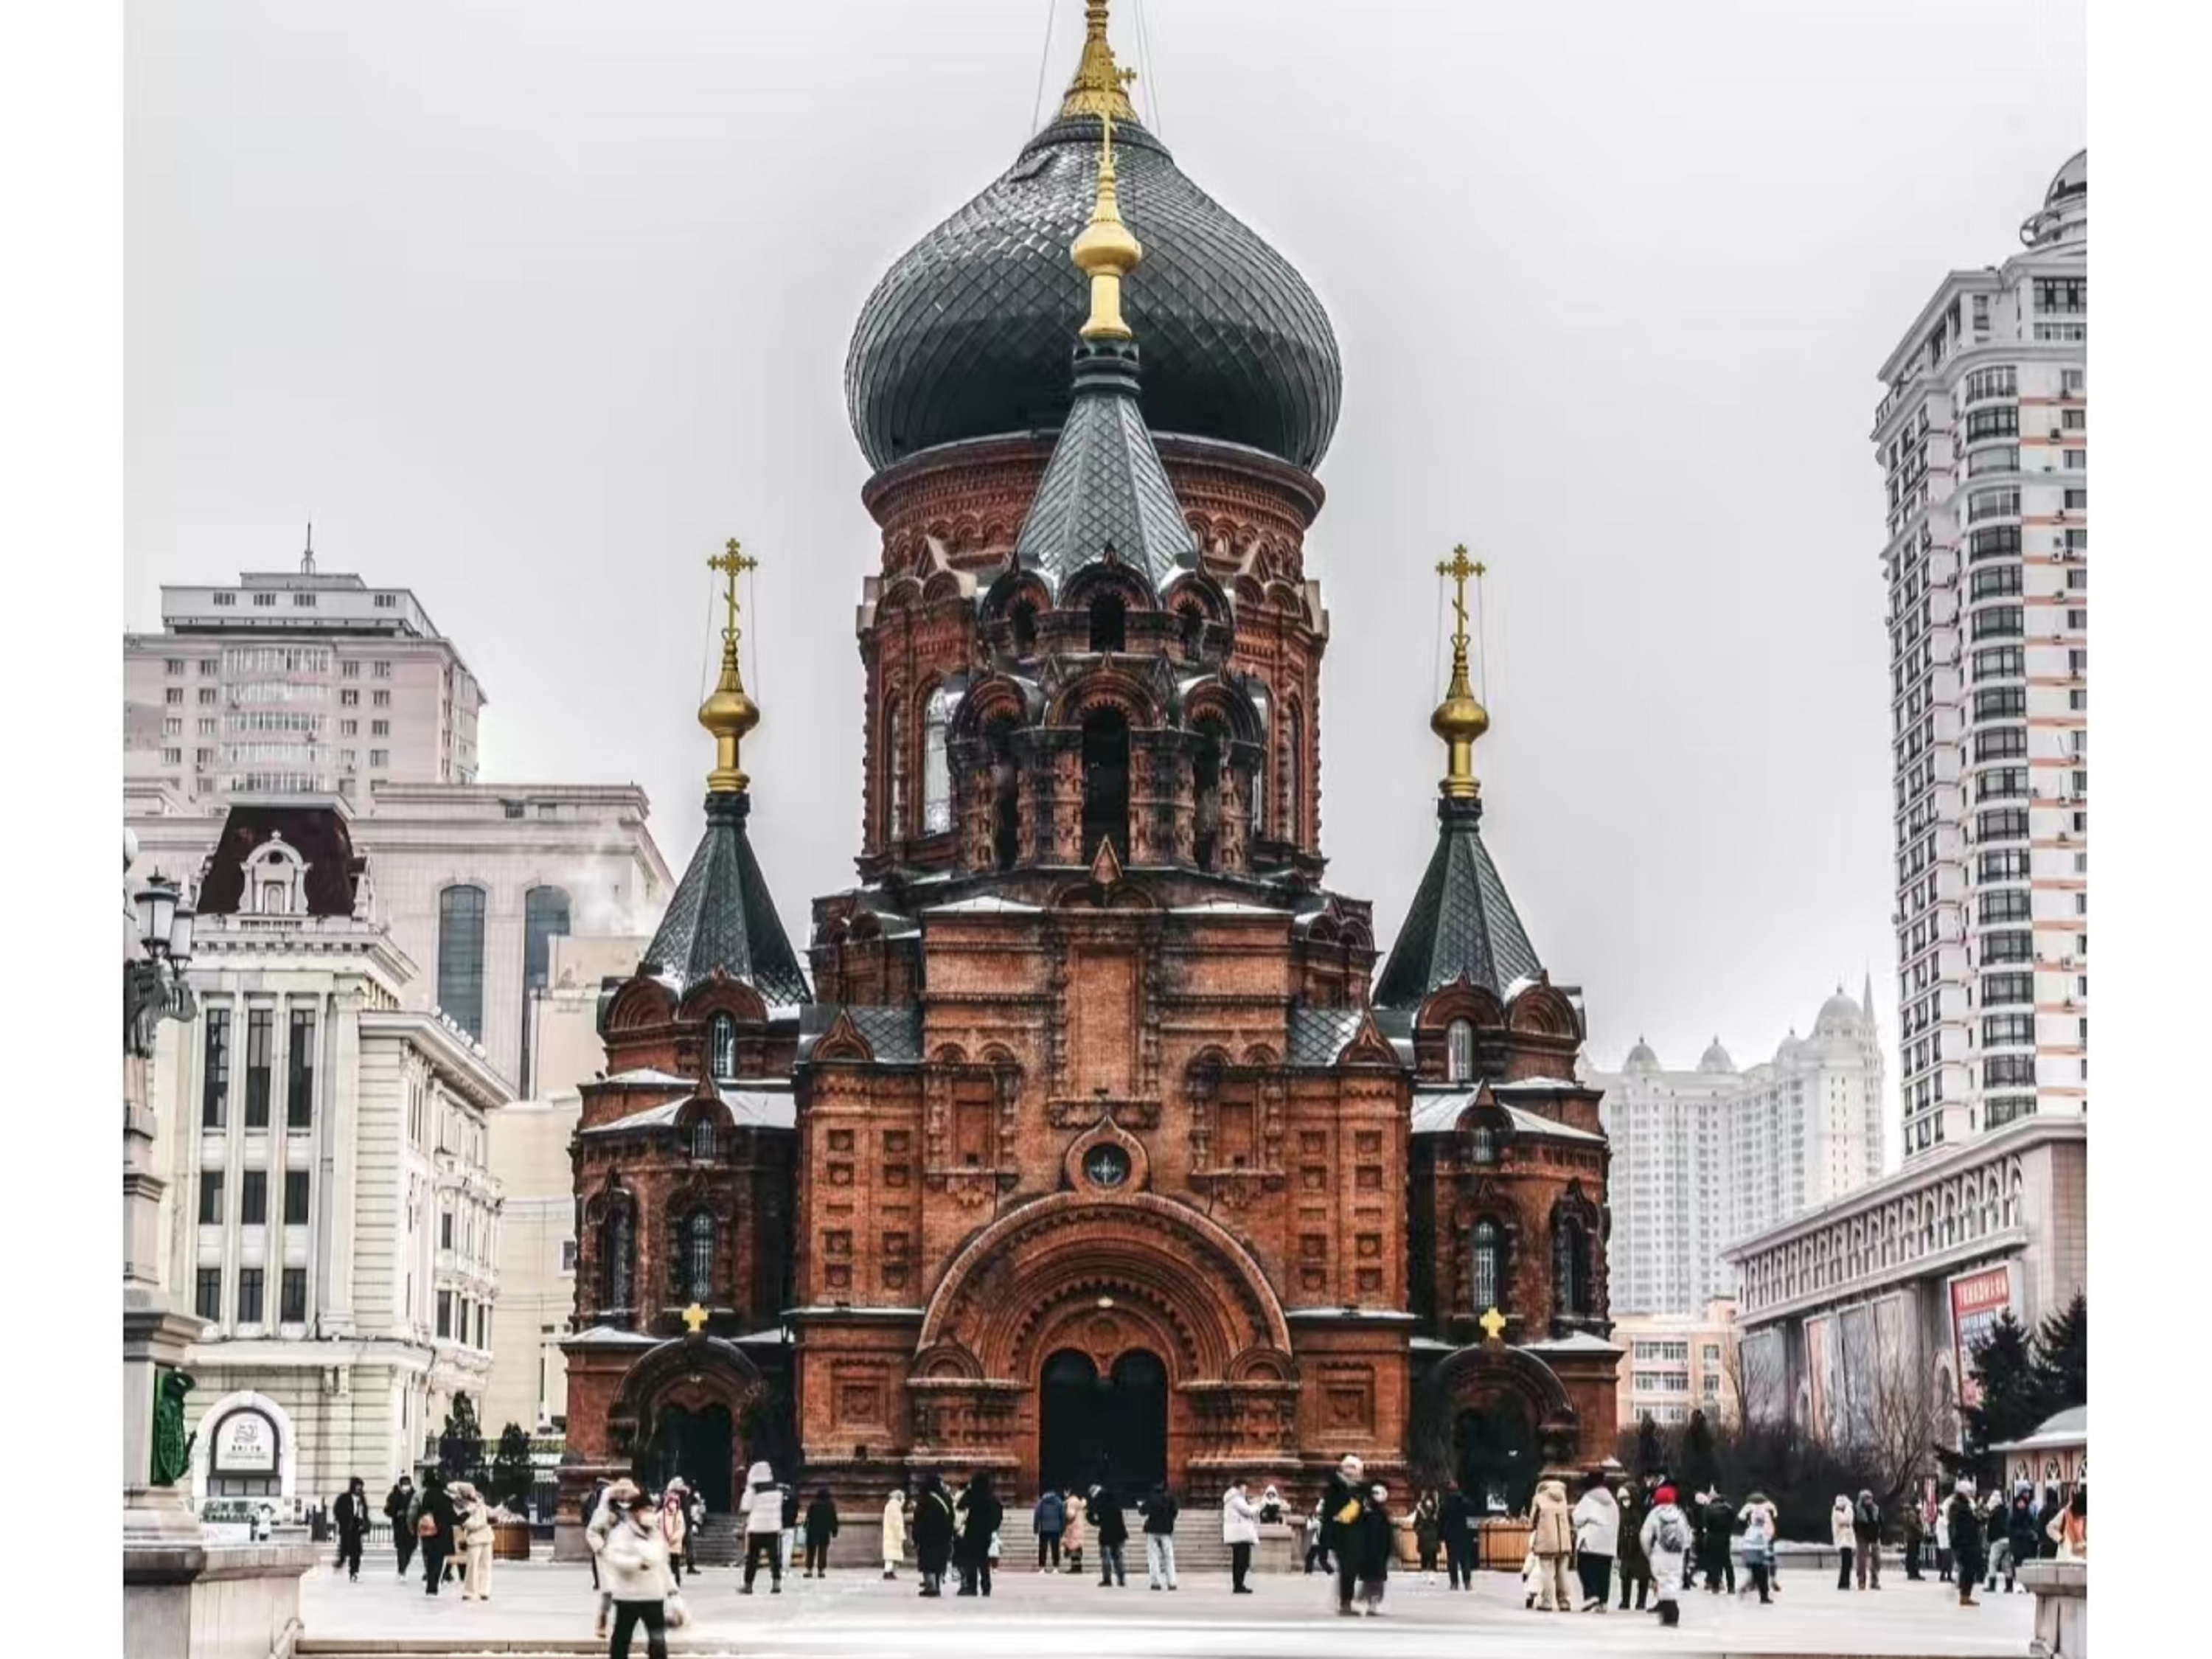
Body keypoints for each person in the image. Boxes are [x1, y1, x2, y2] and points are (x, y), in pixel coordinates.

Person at [602, 1485, 675, 1659]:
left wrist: (672, 1590)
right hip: (629, 1596)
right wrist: (637, 1563)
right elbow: (612, 1557)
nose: (649, 1514)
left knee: (658, 1641)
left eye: (651, 1510)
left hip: (653, 1595)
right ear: (634, 1512)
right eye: (645, 1510)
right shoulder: (621, 1533)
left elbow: (663, 1564)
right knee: (621, 1639)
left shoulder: (656, 1534)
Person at [588, 1478, 636, 1641]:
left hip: (627, 1556)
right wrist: (602, 1548)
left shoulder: (634, 1512)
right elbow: (592, 1532)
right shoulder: (604, 1511)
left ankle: (622, 1626)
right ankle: (602, 1621)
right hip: (608, 1557)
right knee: (608, 1593)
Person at [1640, 1485, 1691, 1628]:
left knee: (1662, 1580)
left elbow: (1645, 1536)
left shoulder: (1654, 1514)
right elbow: (1687, 1536)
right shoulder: (1679, 1514)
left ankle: (1668, 1611)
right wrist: (1684, 1551)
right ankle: (1671, 1610)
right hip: (1676, 1553)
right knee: (1673, 1579)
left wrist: (1649, 1553)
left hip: (1660, 1552)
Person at [1572, 1472, 1619, 1613]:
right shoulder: (1612, 1501)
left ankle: (1591, 1594)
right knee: (1604, 1571)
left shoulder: (1588, 1498)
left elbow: (1577, 1518)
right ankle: (1603, 1601)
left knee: (1585, 1566)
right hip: (1608, 1542)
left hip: (1591, 1539)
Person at [738, 1461, 785, 1594]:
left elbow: (745, 1507)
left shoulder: (753, 1489)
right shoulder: (777, 1489)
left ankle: (748, 1585)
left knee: (752, 1558)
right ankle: (776, 1583)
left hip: (756, 1528)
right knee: (774, 1557)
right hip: (773, 1527)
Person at [1528, 1476, 1574, 1613]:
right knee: (1562, 1573)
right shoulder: (1563, 1497)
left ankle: (1547, 1602)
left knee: (1547, 1572)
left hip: (1546, 1540)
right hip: (1563, 1541)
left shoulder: (1539, 1498)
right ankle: (1564, 1602)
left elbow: (1533, 1519)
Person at [956, 1470, 1001, 1596]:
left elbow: (960, 1506)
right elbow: (998, 1514)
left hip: (972, 1532)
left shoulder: (972, 1495)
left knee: (971, 1561)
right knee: (983, 1561)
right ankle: (986, 1587)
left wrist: (968, 1490)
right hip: (985, 1534)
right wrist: (992, 1528)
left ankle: (972, 1587)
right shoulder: (991, 1497)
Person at [912, 1474, 956, 1596]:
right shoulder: (946, 1498)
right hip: (943, 1537)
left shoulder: (925, 1499)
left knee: (928, 1562)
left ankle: (931, 1587)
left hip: (927, 1538)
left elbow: (918, 1520)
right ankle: (937, 1585)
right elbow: (951, 1517)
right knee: (939, 1562)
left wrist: (916, 1537)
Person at [415, 1471, 457, 1596]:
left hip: (429, 1530)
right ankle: (435, 1584)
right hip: (443, 1532)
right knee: (439, 1560)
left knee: (430, 1559)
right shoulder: (446, 1497)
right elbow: (451, 1515)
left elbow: (421, 1511)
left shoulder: (427, 1495)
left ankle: (430, 1585)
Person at [1354, 1484, 1394, 1615]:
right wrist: (1387, 1552)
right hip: (1377, 1555)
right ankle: (1372, 1605)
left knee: (1369, 1581)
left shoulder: (1365, 1515)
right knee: (1377, 1582)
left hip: (1367, 1554)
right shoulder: (1382, 1516)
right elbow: (1387, 1538)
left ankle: (1368, 1602)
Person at [1945, 1481, 1985, 1607]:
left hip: (1967, 1542)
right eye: (1969, 1492)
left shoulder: (1964, 1505)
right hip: (1964, 1543)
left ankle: (1966, 1595)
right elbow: (1960, 1526)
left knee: (1969, 1570)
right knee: (1968, 1570)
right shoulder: (1958, 1507)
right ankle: (1965, 1595)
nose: (1971, 1494)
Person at [1615, 1483, 1652, 1611]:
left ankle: (1641, 1601)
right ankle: (1625, 1601)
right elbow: (1619, 1530)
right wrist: (1619, 1549)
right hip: (1626, 1547)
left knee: (1643, 1575)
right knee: (1625, 1575)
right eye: (1623, 1499)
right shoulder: (1621, 1511)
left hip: (1641, 1546)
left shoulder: (1642, 1510)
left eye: (1627, 1498)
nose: (1625, 1502)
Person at [1138, 1481, 1180, 1590]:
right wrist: (1169, 1520)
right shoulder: (1171, 1498)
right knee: (1169, 1557)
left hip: (1152, 1530)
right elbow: (1175, 1512)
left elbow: (1142, 1512)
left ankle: (1155, 1582)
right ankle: (1172, 1582)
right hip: (1166, 1530)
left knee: (1153, 1557)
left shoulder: (1151, 1497)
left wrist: (1141, 1506)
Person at [457, 1483, 495, 1601]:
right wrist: (483, 1522)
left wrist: (488, 1514)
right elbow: (468, 1524)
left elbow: (493, 1516)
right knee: (472, 1566)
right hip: (474, 1539)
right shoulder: (463, 1507)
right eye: (472, 1492)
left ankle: (484, 1590)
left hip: (487, 1538)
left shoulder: (483, 1506)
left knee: (486, 1565)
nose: (475, 1495)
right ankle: (470, 1591)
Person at [1737, 1492, 1777, 1605]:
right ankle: (1764, 1596)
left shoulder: (1749, 1522)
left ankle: (1749, 1586)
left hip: (1748, 1548)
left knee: (1755, 1572)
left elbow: (1741, 1522)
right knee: (1762, 1573)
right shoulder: (1767, 1513)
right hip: (1760, 1548)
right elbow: (1770, 1533)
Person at [1222, 1478, 1259, 1593]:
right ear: (1240, 1487)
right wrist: (1257, 1506)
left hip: (1236, 1534)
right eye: (1245, 1487)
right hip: (1240, 1534)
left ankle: (1238, 1585)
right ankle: (1239, 1585)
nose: (1246, 1490)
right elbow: (1248, 1511)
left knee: (1238, 1561)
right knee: (1243, 1561)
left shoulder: (1232, 1498)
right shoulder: (1236, 1499)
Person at [1091, 1484, 1129, 1587]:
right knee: (1118, 1557)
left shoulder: (1099, 1502)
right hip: (1119, 1532)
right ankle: (1121, 1579)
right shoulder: (1114, 1497)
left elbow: (1099, 1521)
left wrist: (1091, 1519)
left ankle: (1107, 1580)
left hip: (1106, 1533)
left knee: (1106, 1558)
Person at [1699, 1488, 1735, 1594]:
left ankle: (1715, 1586)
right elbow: (1733, 1521)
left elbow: (1705, 1523)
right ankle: (1731, 1587)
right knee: (1727, 1563)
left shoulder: (1709, 1508)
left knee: (1714, 1563)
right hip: (1725, 1537)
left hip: (1713, 1536)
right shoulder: (1728, 1508)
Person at [1441, 1484, 1477, 1590]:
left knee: (1452, 1560)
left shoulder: (1446, 1504)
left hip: (1451, 1536)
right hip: (1464, 1535)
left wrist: (1441, 1535)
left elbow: (1441, 1521)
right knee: (1465, 1559)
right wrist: (1473, 1534)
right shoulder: (1466, 1503)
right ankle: (1467, 1582)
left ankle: (1454, 1583)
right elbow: (1472, 1517)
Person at [333, 1478, 369, 1582]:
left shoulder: (362, 1499)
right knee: (345, 1548)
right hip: (347, 1527)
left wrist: (365, 1523)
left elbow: (365, 1512)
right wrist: (342, 1520)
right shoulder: (344, 1498)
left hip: (357, 1527)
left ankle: (354, 1572)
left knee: (356, 1552)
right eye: (358, 1486)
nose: (359, 1488)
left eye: (361, 1486)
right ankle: (341, 1561)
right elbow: (337, 1510)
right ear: (353, 1486)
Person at [2005, 1490, 2040, 1592]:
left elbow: (2035, 1527)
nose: (2021, 1505)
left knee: (2027, 1565)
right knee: (2017, 1564)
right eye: (2019, 1502)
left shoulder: (2029, 1515)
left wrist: (2031, 1534)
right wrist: (2022, 1533)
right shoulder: (2013, 1516)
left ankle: (2026, 1584)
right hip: (2017, 1545)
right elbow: (2010, 1530)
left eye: (2023, 1502)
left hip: (2028, 1545)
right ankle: (2018, 1583)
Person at [384, 1475, 417, 1577]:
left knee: (411, 1548)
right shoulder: (394, 1495)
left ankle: (404, 1566)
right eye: (405, 1484)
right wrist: (396, 1513)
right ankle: (402, 1570)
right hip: (400, 1526)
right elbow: (387, 1510)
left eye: (408, 1484)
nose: (406, 1486)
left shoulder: (415, 1495)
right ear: (400, 1485)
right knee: (402, 1548)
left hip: (412, 1526)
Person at [804, 1486, 840, 1579]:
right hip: (824, 1531)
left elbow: (808, 1517)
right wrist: (834, 1530)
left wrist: (805, 1526)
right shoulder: (830, 1505)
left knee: (811, 1551)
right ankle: (821, 1570)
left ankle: (809, 1569)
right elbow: (833, 1518)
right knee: (823, 1551)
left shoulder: (813, 1504)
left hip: (812, 1530)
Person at [1853, 1489, 1884, 1589]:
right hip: (1862, 1538)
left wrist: (1880, 1533)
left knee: (1877, 1560)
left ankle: (1875, 1581)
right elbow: (1854, 1524)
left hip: (1875, 1537)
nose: (1869, 1501)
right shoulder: (1857, 1510)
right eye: (1866, 1499)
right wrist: (1858, 1534)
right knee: (1861, 1561)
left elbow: (1881, 1522)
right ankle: (1861, 1581)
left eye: (1870, 1498)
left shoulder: (1876, 1509)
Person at [2047, 1486, 2086, 1561]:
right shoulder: (2065, 1514)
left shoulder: (2084, 1518)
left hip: (2082, 1556)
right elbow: (2050, 1528)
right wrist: (2061, 1539)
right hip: (2066, 1556)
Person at [659, 1487, 688, 1588]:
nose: (673, 1504)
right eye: (671, 1502)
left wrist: (674, 1538)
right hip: (664, 1542)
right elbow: (656, 1526)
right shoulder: (661, 1514)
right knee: (664, 1563)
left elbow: (681, 1528)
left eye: (675, 1502)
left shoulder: (679, 1514)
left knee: (675, 1563)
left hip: (675, 1543)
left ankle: (677, 1580)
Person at [1032, 1486, 1065, 1572]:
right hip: (1056, 1529)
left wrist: (1036, 1528)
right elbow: (1063, 1517)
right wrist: (1063, 1529)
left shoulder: (1042, 1502)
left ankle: (1042, 1567)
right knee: (1055, 1549)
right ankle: (1056, 1567)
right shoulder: (1059, 1502)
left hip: (1044, 1528)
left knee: (1043, 1549)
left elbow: (1037, 1515)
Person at [1411, 1490, 1441, 1582]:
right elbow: (1415, 1524)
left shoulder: (1435, 1511)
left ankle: (1430, 1576)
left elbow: (1440, 1524)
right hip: (1427, 1538)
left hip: (1431, 1538)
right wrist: (1419, 1531)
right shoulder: (1423, 1512)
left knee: (1431, 1558)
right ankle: (1426, 1575)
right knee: (1426, 1557)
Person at [880, 1487, 906, 1581]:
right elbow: (897, 1522)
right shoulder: (895, 1507)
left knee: (890, 1555)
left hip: (890, 1534)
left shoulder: (890, 1505)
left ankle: (889, 1571)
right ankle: (888, 1572)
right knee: (891, 1555)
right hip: (894, 1535)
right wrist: (901, 1534)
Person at [1832, 1494, 1857, 1590]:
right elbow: (1846, 1521)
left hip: (1848, 1541)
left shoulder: (1844, 1512)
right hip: (1843, 1541)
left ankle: (1846, 1582)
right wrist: (1849, 1510)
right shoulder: (1836, 1513)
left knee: (1848, 1563)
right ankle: (1843, 1583)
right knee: (1845, 1563)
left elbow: (1850, 1521)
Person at [1060, 1484, 1086, 1575]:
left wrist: (1064, 1510)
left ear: (1068, 1492)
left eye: (1065, 1491)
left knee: (1074, 1549)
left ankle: (1075, 1569)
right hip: (1078, 1529)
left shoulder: (1071, 1501)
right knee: (1077, 1549)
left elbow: (1070, 1515)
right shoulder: (1077, 1501)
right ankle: (1077, 1567)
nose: (1064, 1493)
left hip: (1073, 1529)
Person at [1900, 1496, 1926, 1580]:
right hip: (1914, 1537)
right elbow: (1913, 1524)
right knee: (1914, 1556)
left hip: (1912, 1537)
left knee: (1912, 1555)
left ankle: (1913, 1572)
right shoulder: (1912, 1513)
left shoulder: (1911, 1512)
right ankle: (1913, 1573)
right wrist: (1921, 1531)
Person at [1302, 1499, 1329, 1576]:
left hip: (1317, 1543)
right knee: (1322, 1560)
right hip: (1323, 1542)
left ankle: (1308, 1572)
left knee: (1310, 1558)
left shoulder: (1317, 1522)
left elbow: (1309, 1528)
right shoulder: (1325, 1521)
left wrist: (1309, 1519)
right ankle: (1331, 1572)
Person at [1933, 1490, 1952, 1582]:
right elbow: (1948, 1525)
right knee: (1947, 1560)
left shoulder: (1941, 1519)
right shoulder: (1941, 1520)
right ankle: (1944, 1575)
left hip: (1946, 1542)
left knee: (1948, 1560)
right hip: (1945, 1543)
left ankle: (1947, 1575)